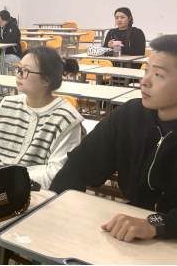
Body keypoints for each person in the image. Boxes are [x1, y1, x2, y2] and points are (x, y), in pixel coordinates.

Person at [51, 35, 177, 242]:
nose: (145, 82)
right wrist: (55, 210)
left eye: (158, 75)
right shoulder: (130, 115)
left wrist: (157, 224)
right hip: (135, 232)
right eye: (146, 71)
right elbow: (79, 166)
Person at [0, 46, 83, 190]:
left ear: (47, 80)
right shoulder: (7, 105)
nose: (18, 74)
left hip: (36, 195)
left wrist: (9, 179)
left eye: (25, 70)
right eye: (18, 68)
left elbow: (54, 173)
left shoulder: (66, 119)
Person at [0, 10, 22, 75]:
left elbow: (9, 40)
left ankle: (4, 80)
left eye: (2, 21)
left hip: (14, 54)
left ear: (7, 20)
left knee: (4, 61)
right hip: (1, 53)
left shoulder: (13, 27)